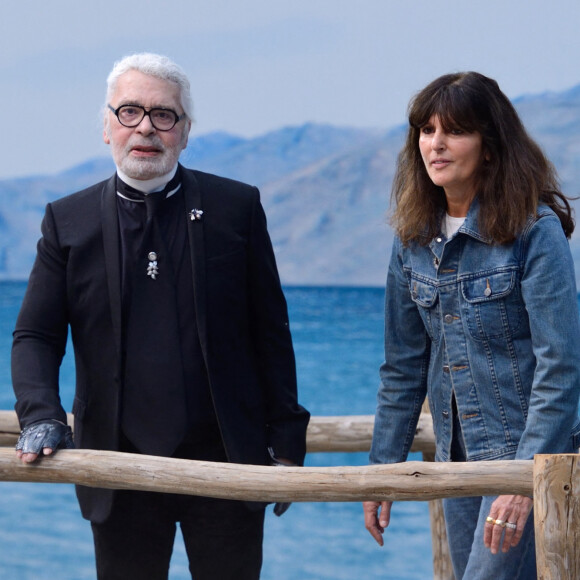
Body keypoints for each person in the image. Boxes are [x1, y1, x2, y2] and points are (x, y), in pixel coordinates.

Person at [12, 52, 310, 580]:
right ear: (107, 126)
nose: (145, 127)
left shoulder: (236, 207)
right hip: (115, 464)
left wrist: (286, 446)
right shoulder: (68, 220)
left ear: (185, 131)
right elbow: (36, 335)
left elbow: (270, 330)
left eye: (163, 114)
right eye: (129, 112)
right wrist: (40, 416)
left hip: (227, 462)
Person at [362, 72, 580, 579]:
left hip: (529, 459)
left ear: (488, 146)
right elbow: (402, 368)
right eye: (426, 130)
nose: (435, 145)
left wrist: (522, 478)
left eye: (454, 131)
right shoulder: (411, 238)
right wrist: (380, 474)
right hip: (456, 460)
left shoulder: (534, 230)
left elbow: (561, 365)